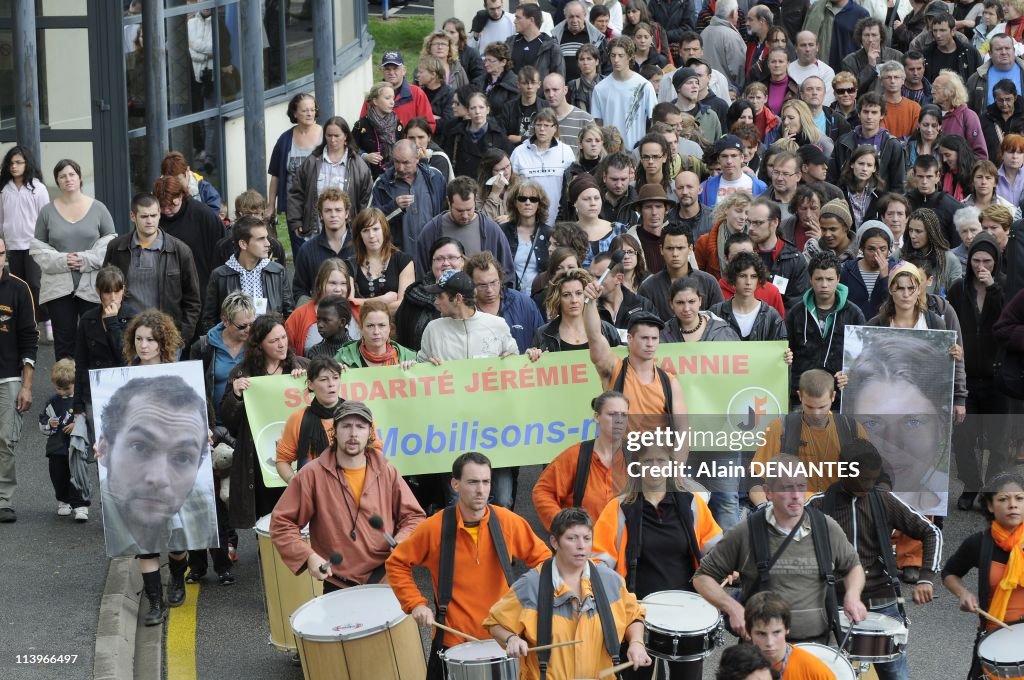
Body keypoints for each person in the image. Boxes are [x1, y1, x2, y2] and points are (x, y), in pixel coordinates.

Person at [387, 452, 551, 680]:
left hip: (504, 640)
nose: (481, 490)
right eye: (473, 482)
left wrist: (528, 604)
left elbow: (546, 564)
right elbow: (397, 562)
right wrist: (415, 603)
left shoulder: (509, 523)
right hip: (454, 642)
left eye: (486, 482)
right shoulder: (434, 527)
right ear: (455, 484)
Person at [100, 311, 216, 623]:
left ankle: (177, 578)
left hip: (170, 483)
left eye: (150, 339)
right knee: (146, 546)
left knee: (177, 543)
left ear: (162, 342)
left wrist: (203, 432)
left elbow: (201, 415)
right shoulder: (125, 375)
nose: (144, 345)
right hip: (138, 484)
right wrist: (104, 441)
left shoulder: (182, 375)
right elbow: (114, 421)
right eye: (138, 339)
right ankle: (155, 602)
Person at [693, 454, 867, 642]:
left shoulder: (826, 527)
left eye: (801, 486)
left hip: (817, 649)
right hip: (762, 652)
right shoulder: (745, 532)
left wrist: (853, 595)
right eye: (786, 487)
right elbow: (702, 577)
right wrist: (732, 607)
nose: (796, 495)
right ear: (768, 492)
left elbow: (853, 567)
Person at [592, 440, 723, 680]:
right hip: (635, 612)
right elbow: (599, 564)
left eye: (661, 461)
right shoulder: (618, 508)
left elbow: (715, 548)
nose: (655, 467)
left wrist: (727, 567)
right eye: (648, 461)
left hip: (686, 611)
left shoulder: (691, 503)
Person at [808, 439, 939, 680]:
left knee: (896, 675)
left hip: (882, 599)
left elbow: (931, 532)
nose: (868, 485)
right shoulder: (816, 505)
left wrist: (926, 579)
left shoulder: (884, 500)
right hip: (832, 601)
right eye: (862, 479)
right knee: (826, 672)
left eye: (873, 479)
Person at [271, 400, 425, 590]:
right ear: (334, 431)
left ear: (370, 432)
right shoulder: (312, 474)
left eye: (360, 427)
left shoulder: (387, 471)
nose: (353, 434)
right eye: (346, 426)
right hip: (338, 583)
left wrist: (403, 539)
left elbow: (414, 516)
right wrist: (308, 556)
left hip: (387, 578)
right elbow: (282, 523)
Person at [484, 507, 652, 679]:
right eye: (572, 538)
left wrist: (637, 643)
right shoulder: (530, 585)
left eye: (587, 538)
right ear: (555, 542)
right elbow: (495, 623)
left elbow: (634, 616)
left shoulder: (610, 580)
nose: (581, 546)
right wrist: (511, 638)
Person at [221, 314, 309, 530]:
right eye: (273, 341)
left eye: (283, 338)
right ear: (259, 345)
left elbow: (329, 390)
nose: (281, 344)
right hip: (260, 461)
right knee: (267, 519)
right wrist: (236, 396)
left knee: (300, 516)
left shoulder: (302, 366)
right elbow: (229, 422)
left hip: (298, 454)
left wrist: (309, 380)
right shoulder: (242, 373)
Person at [947, 231, 1011, 508]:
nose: (981, 266)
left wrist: (995, 288)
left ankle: (992, 490)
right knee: (962, 437)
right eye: (976, 260)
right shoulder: (959, 288)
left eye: (987, 260)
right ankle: (971, 485)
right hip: (966, 376)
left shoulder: (1007, 287)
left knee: (998, 440)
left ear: (996, 261)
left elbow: (1010, 319)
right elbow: (948, 324)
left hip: (999, 376)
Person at [30, 159, 116, 360]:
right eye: (62, 176)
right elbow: (38, 249)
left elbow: (110, 244)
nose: (67, 179)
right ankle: (67, 389)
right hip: (59, 288)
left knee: (95, 339)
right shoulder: (47, 212)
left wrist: (84, 259)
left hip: (93, 286)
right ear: (57, 182)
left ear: (79, 178)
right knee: (64, 342)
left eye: (71, 174)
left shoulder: (99, 208)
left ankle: (93, 388)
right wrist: (64, 261)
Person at [943, 472, 1024, 678]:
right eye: (1003, 499)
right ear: (989, 506)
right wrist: (963, 593)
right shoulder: (979, 543)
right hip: (995, 639)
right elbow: (950, 572)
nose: (1013, 504)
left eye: (1019, 498)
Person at [102, 191, 202, 343]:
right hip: (126, 334)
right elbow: (106, 290)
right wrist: (112, 327)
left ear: (159, 214)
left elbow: (193, 300)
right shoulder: (116, 248)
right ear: (132, 216)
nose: (149, 221)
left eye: (153, 215)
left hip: (167, 336)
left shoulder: (180, 251)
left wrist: (181, 339)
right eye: (144, 216)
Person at [533, 391, 629, 529]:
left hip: (627, 545)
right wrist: (563, 527)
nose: (619, 420)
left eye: (624, 415)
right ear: (597, 417)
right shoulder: (576, 455)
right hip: (585, 547)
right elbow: (543, 491)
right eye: (612, 414)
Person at [785, 251, 866, 401]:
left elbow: (862, 357)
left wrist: (849, 373)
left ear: (838, 279)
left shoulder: (854, 313)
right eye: (819, 279)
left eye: (829, 279)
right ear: (810, 279)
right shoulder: (796, 313)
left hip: (839, 394)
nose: (824, 285)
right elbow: (785, 350)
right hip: (801, 393)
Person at [287, 116, 372, 247]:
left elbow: (365, 199)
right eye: (329, 135)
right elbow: (296, 192)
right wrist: (296, 221)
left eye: (337, 135)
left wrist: (361, 226)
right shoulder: (312, 161)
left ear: (346, 137)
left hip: (347, 234)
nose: (332, 140)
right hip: (315, 231)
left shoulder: (358, 165)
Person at [203, 217, 294, 333]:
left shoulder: (277, 272)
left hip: (268, 344)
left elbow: (289, 314)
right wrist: (223, 345)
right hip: (233, 346)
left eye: (267, 237)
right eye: (261, 239)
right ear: (243, 244)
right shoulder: (219, 275)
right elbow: (208, 320)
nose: (268, 244)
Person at [72, 266, 135, 430]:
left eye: (117, 291)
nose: (113, 297)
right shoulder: (87, 319)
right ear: (98, 291)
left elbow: (127, 358)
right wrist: (77, 405)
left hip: (125, 392)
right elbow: (81, 362)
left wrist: (112, 322)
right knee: (98, 448)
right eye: (107, 292)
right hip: (94, 392)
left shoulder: (133, 317)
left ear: (123, 290)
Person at [413, 176, 514, 277]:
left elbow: (506, 271)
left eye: (469, 209)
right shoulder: (431, 231)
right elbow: (422, 273)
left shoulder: (491, 230)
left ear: (475, 201)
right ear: (449, 202)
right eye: (459, 211)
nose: (465, 216)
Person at [0, 146, 49, 339]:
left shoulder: (38, 188)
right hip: (13, 245)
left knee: (35, 285)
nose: (14, 166)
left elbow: (45, 218)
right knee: (18, 286)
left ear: (27, 163)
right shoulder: (4, 189)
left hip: (33, 245)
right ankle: (25, 325)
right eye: (11, 163)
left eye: (19, 162)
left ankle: (43, 318)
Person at [275, 356, 346, 484]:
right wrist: (296, 483)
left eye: (336, 378)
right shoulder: (298, 419)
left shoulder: (356, 414)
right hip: (313, 492)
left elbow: (373, 451)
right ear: (310, 384)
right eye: (324, 379)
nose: (331, 384)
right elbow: (282, 460)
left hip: (351, 490)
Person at [152, 174, 225, 300]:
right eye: (162, 207)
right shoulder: (154, 219)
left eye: (172, 205)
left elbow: (222, 251)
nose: (167, 210)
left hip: (202, 287)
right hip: (166, 291)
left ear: (181, 195)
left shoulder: (203, 215)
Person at [369, 138, 448, 251]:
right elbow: (369, 221)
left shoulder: (435, 177)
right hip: (397, 255)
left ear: (417, 158)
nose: (401, 168)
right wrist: (394, 207)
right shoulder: (382, 183)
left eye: (406, 162)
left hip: (431, 253)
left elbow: (445, 213)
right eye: (397, 162)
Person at [743, 592, 836, 679]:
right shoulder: (738, 669)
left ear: (787, 629)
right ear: (749, 632)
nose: (769, 642)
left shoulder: (814, 671)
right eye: (761, 633)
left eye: (776, 632)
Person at [394, 237, 465, 351]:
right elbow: (400, 337)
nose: (446, 263)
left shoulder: (476, 291)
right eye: (439, 259)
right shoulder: (414, 294)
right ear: (431, 263)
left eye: (452, 257)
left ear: (462, 261)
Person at [465, 250, 542, 353]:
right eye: (482, 285)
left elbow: (542, 341)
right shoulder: (465, 309)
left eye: (493, 283)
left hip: (522, 367)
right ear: (471, 284)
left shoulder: (523, 303)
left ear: (500, 280)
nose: (489, 290)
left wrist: (535, 352)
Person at [829, 92, 907, 193]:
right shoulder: (843, 141)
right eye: (865, 112)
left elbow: (898, 184)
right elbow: (833, 178)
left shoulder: (892, 144)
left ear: (882, 115)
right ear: (858, 114)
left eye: (874, 112)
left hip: (881, 202)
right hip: (847, 199)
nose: (869, 117)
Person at [39, 358, 87, 522]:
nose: (62, 392)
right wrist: (49, 424)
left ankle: (80, 505)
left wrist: (76, 425)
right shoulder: (52, 401)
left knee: (78, 475)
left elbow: (88, 420)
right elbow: (42, 421)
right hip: (56, 447)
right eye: (58, 388)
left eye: (66, 388)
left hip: (75, 447)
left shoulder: (80, 400)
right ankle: (63, 500)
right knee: (58, 476)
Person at [510, 108, 576, 226]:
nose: (541, 129)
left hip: (559, 220)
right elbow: (511, 188)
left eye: (546, 125)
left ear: (555, 128)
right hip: (527, 221)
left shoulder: (566, 152)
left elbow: (572, 187)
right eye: (538, 124)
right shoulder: (519, 152)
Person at [591, 36, 658, 152]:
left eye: (621, 56)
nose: (616, 60)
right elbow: (597, 123)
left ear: (630, 57)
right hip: (609, 151)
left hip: (637, 151)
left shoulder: (644, 86)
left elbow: (654, 120)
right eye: (613, 55)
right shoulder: (600, 88)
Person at [266, 93, 322, 228]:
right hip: (295, 208)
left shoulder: (326, 135)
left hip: (322, 206)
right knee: (300, 247)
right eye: (304, 110)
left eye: (312, 110)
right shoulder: (284, 140)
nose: (310, 114)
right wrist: (271, 206)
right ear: (295, 113)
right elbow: (276, 176)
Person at [532, 266, 622, 348]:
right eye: (566, 295)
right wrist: (533, 355)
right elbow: (531, 364)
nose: (574, 300)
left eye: (579, 293)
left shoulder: (608, 330)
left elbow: (624, 362)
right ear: (558, 298)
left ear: (586, 295)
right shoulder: (543, 334)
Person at [291, 189, 355, 302]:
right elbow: (299, 291)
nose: (333, 215)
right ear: (321, 215)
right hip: (319, 314)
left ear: (346, 213)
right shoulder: (307, 250)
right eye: (328, 210)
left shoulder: (360, 246)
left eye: (338, 210)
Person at [347, 207, 414, 314]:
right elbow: (348, 306)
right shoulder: (349, 265)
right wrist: (383, 300)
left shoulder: (403, 261)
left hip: (396, 327)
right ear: (360, 236)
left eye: (375, 229)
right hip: (361, 327)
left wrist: (360, 302)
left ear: (384, 230)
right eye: (365, 230)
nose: (371, 235)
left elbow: (403, 305)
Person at [285, 259, 357, 358]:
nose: (338, 289)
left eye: (343, 283)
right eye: (332, 283)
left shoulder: (359, 312)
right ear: (320, 284)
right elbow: (285, 353)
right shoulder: (299, 316)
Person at [711, 252, 788, 341]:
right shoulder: (716, 313)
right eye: (742, 276)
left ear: (759, 279)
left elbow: (780, 347)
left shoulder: (771, 316)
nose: (748, 282)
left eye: (753, 276)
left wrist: (786, 354)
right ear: (733, 278)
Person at [360, 51, 435, 131]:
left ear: (404, 70)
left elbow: (429, 125)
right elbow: (362, 126)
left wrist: (412, 141)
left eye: (396, 68)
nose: (392, 73)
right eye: (387, 69)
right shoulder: (373, 95)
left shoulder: (417, 93)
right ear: (382, 71)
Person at [840, 220, 898, 320]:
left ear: (889, 249)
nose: (876, 255)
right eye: (871, 249)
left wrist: (885, 277)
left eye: (883, 249)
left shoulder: (896, 270)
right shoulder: (848, 270)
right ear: (862, 248)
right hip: (854, 328)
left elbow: (895, 305)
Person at [335, 299, 417, 370]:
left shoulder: (409, 357)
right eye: (370, 326)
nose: (376, 332)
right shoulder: (343, 357)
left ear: (390, 328)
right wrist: (335, 374)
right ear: (361, 328)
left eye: (381, 325)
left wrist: (414, 370)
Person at [501, 179, 550, 295]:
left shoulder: (549, 233)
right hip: (511, 296)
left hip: (540, 297)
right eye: (522, 199)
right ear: (515, 202)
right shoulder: (503, 231)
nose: (528, 203)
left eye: (533, 199)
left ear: (539, 204)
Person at [907, 156, 965, 248]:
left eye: (929, 177)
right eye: (920, 176)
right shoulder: (905, 203)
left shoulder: (952, 207)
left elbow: (957, 246)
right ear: (914, 175)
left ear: (938, 176)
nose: (924, 181)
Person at [904, 207, 964, 294]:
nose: (913, 235)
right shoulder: (901, 255)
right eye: (910, 230)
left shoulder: (949, 260)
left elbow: (957, 297)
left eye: (918, 231)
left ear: (931, 232)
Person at [932, 70, 989, 160]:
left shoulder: (968, 116)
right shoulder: (930, 114)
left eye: (936, 88)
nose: (932, 92)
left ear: (950, 92)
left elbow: (980, 155)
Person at [699, 135, 768, 207]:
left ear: (742, 158)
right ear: (718, 159)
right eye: (724, 156)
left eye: (734, 156)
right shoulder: (705, 187)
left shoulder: (760, 187)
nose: (729, 161)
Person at [841, 17, 903, 96]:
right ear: (861, 37)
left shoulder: (897, 56)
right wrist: (870, 66)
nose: (870, 39)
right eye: (866, 35)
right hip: (863, 105)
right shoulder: (850, 61)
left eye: (874, 35)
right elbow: (851, 90)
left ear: (881, 37)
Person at [802, 0, 869, 72]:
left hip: (846, 74)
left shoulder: (860, 14)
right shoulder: (816, 8)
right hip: (818, 72)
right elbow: (803, 37)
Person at [980, 80, 1024, 163]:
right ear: (994, 99)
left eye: (1008, 99)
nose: (1004, 104)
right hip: (993, 169)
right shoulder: (986, 118)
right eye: (1000, 100)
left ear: (1015, 97)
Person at [405, 117, 454, 182]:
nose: (416, 143)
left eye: (421, 137)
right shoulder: (401, 155)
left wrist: (423, 163)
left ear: (429, 137)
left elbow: (436, 187)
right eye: (411, 138)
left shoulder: (439, 158)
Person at [306, 296, 352, 360]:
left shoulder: (357, 349)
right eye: (318, 319)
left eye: (326, 320)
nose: (320, 325)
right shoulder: (315, 352)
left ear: (342, 322)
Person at [567, 43, 604, 112]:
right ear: (578, 63)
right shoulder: (572, 85)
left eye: (589, 59)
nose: (585, 62)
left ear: (597, 61)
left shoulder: (606, 82)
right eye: (582, 59)